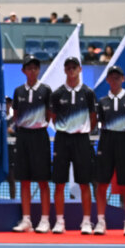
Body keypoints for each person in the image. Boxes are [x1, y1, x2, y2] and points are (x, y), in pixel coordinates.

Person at [49, 57, 96, 234]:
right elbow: (53, 117)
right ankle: (60, 221)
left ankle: (86, 221)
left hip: (82, 140)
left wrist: (80, 129)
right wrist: (65, 128)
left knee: (84, 182)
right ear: (64, 70)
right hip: (62, 140)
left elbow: (93, 117)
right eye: (68, 68)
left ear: (80, 69)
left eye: (74, 67)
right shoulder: (57, 94)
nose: (71, 70)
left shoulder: (88, 93)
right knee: (59, 183)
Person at [93, 65, 125, 236]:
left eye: (117, 77)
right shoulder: (102, 102)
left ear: (123, 79)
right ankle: (101, 221)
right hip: (106, 141)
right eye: (111, 77)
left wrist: (123, 128)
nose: (114, 80)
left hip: (124, 141)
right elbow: (101, 121)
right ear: (107, 80)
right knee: (102, 183)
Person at [10, 56, 53, 232]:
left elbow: (49, 115)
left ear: (39, 70)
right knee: (24, 180)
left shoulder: (46, 90)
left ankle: (45, 220)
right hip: (23, 137)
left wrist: (36, 124)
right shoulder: (18, 91)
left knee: (43, 180)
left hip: (40, 136)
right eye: (29, 68)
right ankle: (26, 220)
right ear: (23, 71)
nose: (32, 71)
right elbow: (16, 115)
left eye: (35, 68)